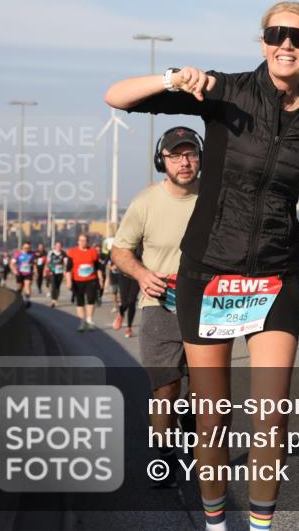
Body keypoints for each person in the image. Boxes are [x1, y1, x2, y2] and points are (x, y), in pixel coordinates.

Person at [105, 1, 299, 531]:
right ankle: (213, 522)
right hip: (209, 274)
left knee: (272, 416)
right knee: (214, 419)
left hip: (276, 276)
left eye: (298, 37)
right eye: (277, 33)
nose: (287, 44)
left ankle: (261, 526)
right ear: (263, 42)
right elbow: (116, 96)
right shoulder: (224, 92)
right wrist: (174, 77)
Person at [112, 127, 203, 487]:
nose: (184, 161)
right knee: (165, 389)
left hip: (208, 308)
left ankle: (198, 443)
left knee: (204, 392)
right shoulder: (145, 203)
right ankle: (165, 455)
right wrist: (141, 273)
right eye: (175, 155)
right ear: (161, 161)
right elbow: (120, 250)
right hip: (159, 306)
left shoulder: (216, 198)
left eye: (191, 154)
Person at [65, 234, 104, 330]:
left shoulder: (93, 252)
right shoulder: (72, 252)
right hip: (77, 281)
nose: (82, 242)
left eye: (84, 240)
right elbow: (68, 269)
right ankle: (82, 322)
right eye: (80, 240)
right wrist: (68, 281)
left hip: (91, 279)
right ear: (78, 241)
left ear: (88, 242)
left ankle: (89, 320)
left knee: (91, 299)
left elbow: (98, 267)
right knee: (80, 302)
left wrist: (100, 279)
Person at [10, 241, 36, 307]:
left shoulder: (33, 254)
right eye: (25, 248)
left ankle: (27, 300)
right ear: (22, 247)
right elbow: (12, 264)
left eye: (28, 248)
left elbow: (35, 262)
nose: (27, 249)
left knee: (28, 285)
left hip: (28, 273)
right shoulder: (17, 254)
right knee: (20, 287)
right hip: (19, 273)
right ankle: (17, 297)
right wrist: (14, 270)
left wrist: (35, 269)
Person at [45, 241, 67, 308]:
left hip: (60, 272)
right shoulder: (51, 253)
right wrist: (47, 268)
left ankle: (56, 299)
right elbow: (48, 261)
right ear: (55, 246)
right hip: (52, 271)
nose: (58, 247)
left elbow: (65, 262)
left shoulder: (63, 253)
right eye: (57, 246)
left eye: (60, 246)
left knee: (58, 286)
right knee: (53, 285)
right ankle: (53, 300)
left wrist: (65, 270)